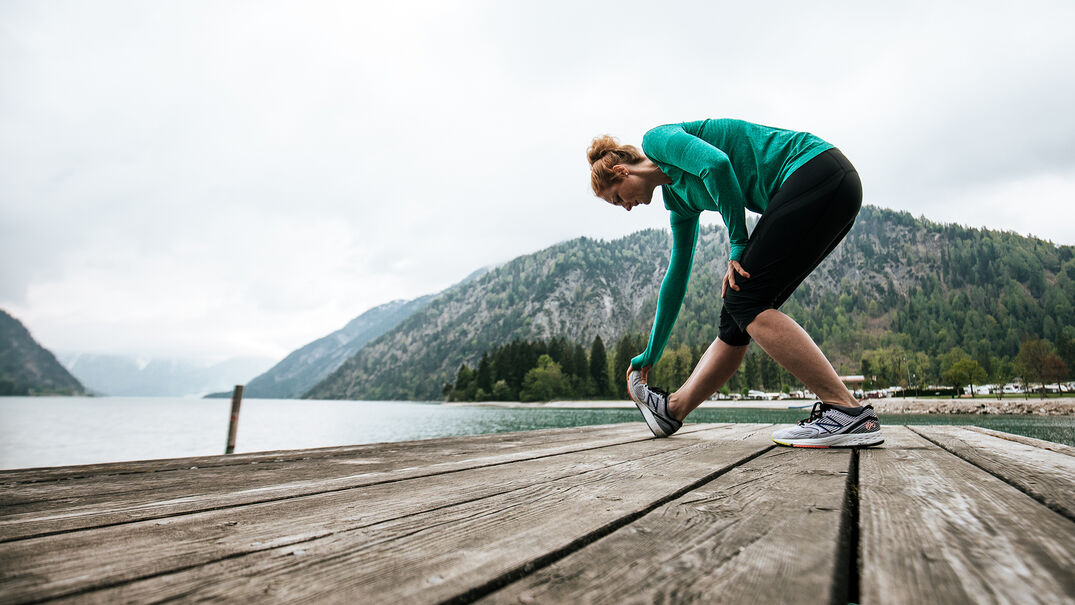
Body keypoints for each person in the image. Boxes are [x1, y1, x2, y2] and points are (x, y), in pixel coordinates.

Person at [587, 119, 883, 447]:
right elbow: (677, 275)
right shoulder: (678, 200)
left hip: (814, 169)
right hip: (831, 187)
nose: (626, 207)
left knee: (745, 299)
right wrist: (651, 353)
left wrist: (738, 245)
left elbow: (717, 164)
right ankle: (671, 410)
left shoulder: (657, 140)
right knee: (736, 313)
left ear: (621, 171)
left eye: (617, 198)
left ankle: (845, 410)